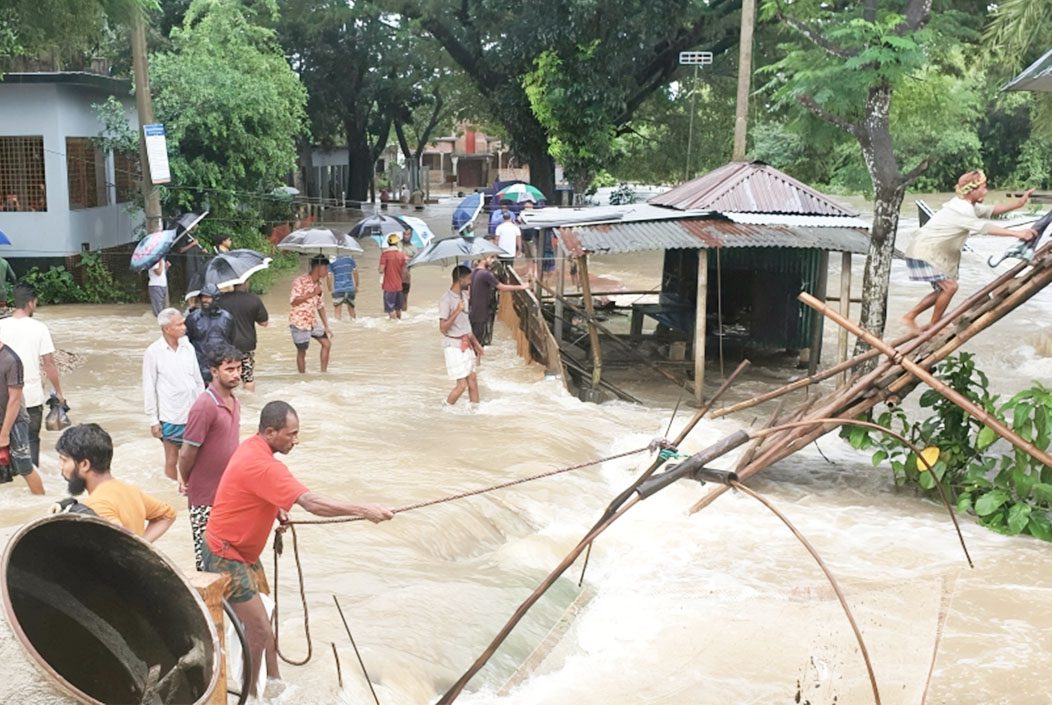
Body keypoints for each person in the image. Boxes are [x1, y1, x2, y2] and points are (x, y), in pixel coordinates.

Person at [202, 401, 393, 697]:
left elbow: (249, 488)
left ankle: (275, 681)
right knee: (260, 628)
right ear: (270, 432)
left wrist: (275, 505)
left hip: (241, 552)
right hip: (225, 555)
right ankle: (250, 696)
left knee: (267, 614)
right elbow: (312, 503)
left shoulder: (252, 447)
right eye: (291, 434)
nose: (296, 440)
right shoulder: (264, 465)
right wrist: (365, 510)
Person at [902, 171, 1036, 333]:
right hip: (925, 251)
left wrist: (1019, 204)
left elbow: (991, 210)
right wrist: (1018, 233)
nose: (986, 192)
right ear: (972, 191)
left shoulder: (965, 204)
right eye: (983, 188)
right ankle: (934, 325)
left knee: (942, 290)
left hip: (924, 250)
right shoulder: (962, 210)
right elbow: (985, 228)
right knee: (950, 288)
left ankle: (910, 316)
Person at [178, 344, 242, 570]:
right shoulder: (204, 406)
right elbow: (187, 453)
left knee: (231, 561)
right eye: (229, 369)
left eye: (238, 368)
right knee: (207, 563)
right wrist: (185, 480)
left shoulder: (234, 401)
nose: (236, 374)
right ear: (214, 371)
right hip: (205, 498)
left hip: (228, 495)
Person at [57, 423, 175, 541]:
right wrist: (140, 547)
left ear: (84, 465)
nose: (60, 466)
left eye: (64, 460)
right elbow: (167, 515)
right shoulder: (130, 490)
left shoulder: (96, 506)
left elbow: (114, 541)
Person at [0, 283, 65, 467]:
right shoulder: (39, 328)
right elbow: (49, 364)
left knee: (4, 445)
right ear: (31, 303)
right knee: (30, 443)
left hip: (3, 398)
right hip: (31, 396)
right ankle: (32, 488)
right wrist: (58, 392)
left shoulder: (1, 326)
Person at [143, 308, 205, 482]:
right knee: (172, 459)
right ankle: (175, 489)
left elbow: (198, 380)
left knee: (196, 458)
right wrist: (153, 420)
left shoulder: (188, 347)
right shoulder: (153, 352)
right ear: (167, 329)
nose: (184, 327)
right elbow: (149, 386)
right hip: (170, 416)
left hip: (193, 413)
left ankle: (191, 486)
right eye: (179, 324)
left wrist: (202, 407)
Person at [0, 336, 43, 494]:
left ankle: (42, 503)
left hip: (15, 420)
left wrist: (4, 434)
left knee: (24, 467)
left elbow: (15, 400)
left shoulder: (11, 360)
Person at [439, 266, 484, 406]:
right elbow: (443, 328)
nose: (470, 282)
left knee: (473, 381)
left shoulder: (464, 296)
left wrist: (476, 344)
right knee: (461, 385)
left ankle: (475, 413)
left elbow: (466, 326)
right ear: (460, 279)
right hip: (453, 346)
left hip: (466, 343)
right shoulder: (445, 300)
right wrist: (457, 311)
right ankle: (444, 409)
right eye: (468, 279)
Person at [217, 283, 268, 392]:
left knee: (227, 375)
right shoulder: (253, 299)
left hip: (226, 344)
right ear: (246, 282)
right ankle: (249, 404)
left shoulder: (221, 300)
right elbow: (264, 323)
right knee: (248, 377)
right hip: (246, 344)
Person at [469, 256, 530, 346]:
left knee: (475, 342)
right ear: (483, 259)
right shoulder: (485, 274)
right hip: (483, 313)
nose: (492, 260)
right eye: (490, 257)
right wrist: (521, 287)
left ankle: (475, 359)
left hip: (473, 312)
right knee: (481, 344)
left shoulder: (473, 272)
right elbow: (503, 287)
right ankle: (478, 360)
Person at [289, 255, 333, 373]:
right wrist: (312, 293)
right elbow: (294, 301)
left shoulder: (320, 285)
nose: (327, 271)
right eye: (325, 268)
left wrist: (326, 326)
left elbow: (320, 306)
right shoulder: (300, 281)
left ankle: (323, 372)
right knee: (302, 351)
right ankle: (302, 376)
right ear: (318, 267)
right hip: (299, 322)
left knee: (327, 344)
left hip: (312, 321)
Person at [185, 283, 235, 384]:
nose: (204, 300)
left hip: (220, 365)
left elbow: (231, 341)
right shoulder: (193, 318)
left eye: (208, 297)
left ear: (216, 299)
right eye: (203, 297)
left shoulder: (227, 318)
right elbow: (186, 343)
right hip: (199, 366)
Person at [378, 233, 408, 320]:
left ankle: (394, 325)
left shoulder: (385, 255)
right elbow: (404, 270)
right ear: (397, 243)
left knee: (390, 309)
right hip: (399, 286)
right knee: (398, 308)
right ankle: (399, 324)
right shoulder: (401, 255)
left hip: (389, 286)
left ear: (388, 243)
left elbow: (381, 270)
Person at [327, 255, 359, 320]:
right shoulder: (350, 258)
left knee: (337, 314)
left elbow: (329, 276)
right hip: (350, 288)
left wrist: (330, 288)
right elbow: (355, 272)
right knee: (352, 311)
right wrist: (356, 286)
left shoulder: (332, 260)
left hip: (338, 289)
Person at [400, 228, 418, 312]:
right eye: (404, 234)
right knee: (396, 299)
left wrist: (410, 260)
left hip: (407, 277)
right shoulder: (397, 244)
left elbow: (416, 262)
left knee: (405, 299)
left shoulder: (413, 248)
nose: (406, 236)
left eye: (408, 234)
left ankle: (404, 318)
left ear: (411, 235)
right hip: (397, 276)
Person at [520, 201, 539, 279]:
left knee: (534, 256)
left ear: (531, 206)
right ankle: (529, 271)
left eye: (528, 205)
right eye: (525, 206)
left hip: (532, 237)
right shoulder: (522, 213)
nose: (526, 207)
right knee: (527, 256)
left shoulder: (535, 213)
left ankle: (536, 271)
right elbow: (521, 225)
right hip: (524, 236)